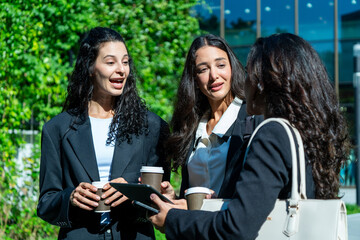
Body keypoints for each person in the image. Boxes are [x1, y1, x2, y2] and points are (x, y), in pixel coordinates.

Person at [149, 33, 350, 239]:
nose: (245, 80)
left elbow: (238, 226)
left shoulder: (270, 132)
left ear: (266, 83)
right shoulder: (300, 131)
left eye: (250, 73)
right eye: (202, 69)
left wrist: (172, 218)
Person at [37, 27, 169, 240]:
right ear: (90, 67)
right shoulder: (57, 129)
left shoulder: (152, 127)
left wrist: (133, 191)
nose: (121, 70)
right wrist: (70, 197)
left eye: (125, 62)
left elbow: (161, 197)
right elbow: (46, 203)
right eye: (110, 62)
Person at [162, 34, 263, 202]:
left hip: (230, 225)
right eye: (203, 69)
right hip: (196, 227)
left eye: (221, 65)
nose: (214, 75)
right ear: (194, 78)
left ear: (232, 67)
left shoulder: (252, 118)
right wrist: (174, 200)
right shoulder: (192, 126)